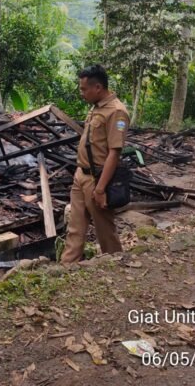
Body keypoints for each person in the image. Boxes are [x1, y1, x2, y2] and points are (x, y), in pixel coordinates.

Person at [61, 65, 130, 264]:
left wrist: (100, 189)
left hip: (97, 178)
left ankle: (116, 264)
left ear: (98, 87)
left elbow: (114, 153)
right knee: (75, 229)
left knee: (104, 230)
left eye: (84, 89)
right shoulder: (97, 107)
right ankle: (66, 268)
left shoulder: (116, 112)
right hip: (80, 175)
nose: (81, 93)